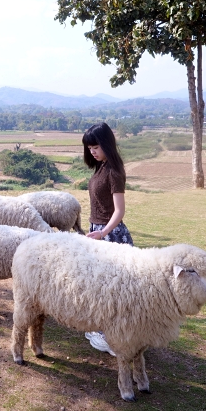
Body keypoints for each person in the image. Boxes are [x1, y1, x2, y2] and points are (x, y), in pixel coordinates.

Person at [80, 121, 132, 354]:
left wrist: (102, 232)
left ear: (106, 144)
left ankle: (113, 338)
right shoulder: (100, 167)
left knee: (112, 289)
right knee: (101, 286)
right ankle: (107, 333)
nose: (92, 151)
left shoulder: (113, 171)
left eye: (96, 146)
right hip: (98, 231)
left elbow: (119, 211)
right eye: (89, 147)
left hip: (110, 236)